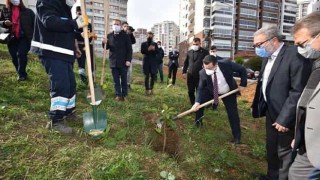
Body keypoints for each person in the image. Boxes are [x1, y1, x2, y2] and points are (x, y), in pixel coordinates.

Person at [251, 26, 311, 179]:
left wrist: (285, 119)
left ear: (274, 40)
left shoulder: (294, 55)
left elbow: (298, 90)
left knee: (284, 154)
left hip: (286, 117)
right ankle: (272, 176)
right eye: (255, 46)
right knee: (271, 149)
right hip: (271, 112)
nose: (257, 49)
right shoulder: (268, 56)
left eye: (259, 45)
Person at [31, 0, 88, 134]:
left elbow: (65, 29)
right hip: (51, 51)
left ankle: (68, 112)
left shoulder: (65, 8)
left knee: (70, 85)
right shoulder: (46, 2)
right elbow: (50, 22)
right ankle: (55, 120)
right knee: (61, 84)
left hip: (65, 53)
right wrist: (75, 23)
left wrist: (76, 42)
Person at [289, 11, 320, 179]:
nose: (300, 50)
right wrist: (301, 135)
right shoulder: (316, 65)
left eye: (302, 44)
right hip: (308, 142)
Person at [191, 55, 247, 144]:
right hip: (212, 91)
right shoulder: (202, 73)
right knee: (200, 104)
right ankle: (198, 124)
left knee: (233, 113)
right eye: (206, 68)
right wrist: (197, 102)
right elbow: (200, 88)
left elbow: (242, 69)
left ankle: (237, 137)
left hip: (228, 91)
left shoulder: (226, 64)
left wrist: (243, 84)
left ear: (216, 64)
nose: (207, 71)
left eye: (210, 68)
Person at [0, 0, 35, 81]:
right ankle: (21, 73)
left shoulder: (28, 12)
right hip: (11, 37)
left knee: (21, 54)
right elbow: (0, 22)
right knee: (14, 56)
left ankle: (22, 75)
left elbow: (35, 25)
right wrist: (5, 22)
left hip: (24, 37)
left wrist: (34, 37)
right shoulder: (5, 10)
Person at [103, 19, 132, 101]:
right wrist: (104, 42)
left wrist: (128, 60)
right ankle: (118, 95)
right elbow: (107, 47)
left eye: (118, 24)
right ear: (112, 25)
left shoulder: (125, 36)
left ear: (121, 26)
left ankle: (125, 95)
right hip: (113, 61)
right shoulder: (109, 36)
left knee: (124, 80)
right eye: (115, 24)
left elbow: (129, 50)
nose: (116, 26)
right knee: (116, 80)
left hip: (123, 62)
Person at [182, 37, 209, 105]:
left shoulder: (205, 52)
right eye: (194, 44)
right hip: (190, 75)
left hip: (200, 76)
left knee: (199, 91)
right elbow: (186, 63)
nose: (195, 46)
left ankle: (198, 105)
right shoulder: (189, 52)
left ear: (200, 44)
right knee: (190, 91)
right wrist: (184, 72)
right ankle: (193, 104)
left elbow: (208, 63)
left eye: (197, 44)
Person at [74, 6, 96, 84]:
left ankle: (93, 79)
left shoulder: (88, 24)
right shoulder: (74, 22)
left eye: (81, 12)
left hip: (88, 46)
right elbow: (73, 35)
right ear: (76, 13)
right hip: (79, 45)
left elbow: (90, 35)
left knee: (92, 62)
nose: (80, 14)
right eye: (78, 13)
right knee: (81, 62)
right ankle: (83, 81)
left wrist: (92, 35)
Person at [141, 31, 158, 95]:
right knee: (146, 76)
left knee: (153, 76)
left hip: (153, 62)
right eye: (149, 35)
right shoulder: (143, 44)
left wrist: (154, 50)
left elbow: (157, 52)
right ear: (146, 36)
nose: (150, 36)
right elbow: (142, 51)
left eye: (151, 35)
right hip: (146, 62)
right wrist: (148, 49)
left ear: (153, 36)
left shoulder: (155, 44)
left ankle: (151, 88)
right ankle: (147, 89)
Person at [122, 22, 136, 90]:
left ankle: (128, 84)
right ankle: (122, 84)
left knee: (129, 71)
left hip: (129, 55)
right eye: (125, 26)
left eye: (127, 27)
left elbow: (133, 41)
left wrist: (131, 34)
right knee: (123, 71)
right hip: (121, 56)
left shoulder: (129, 35)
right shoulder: (121, 34)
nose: (126, 28)